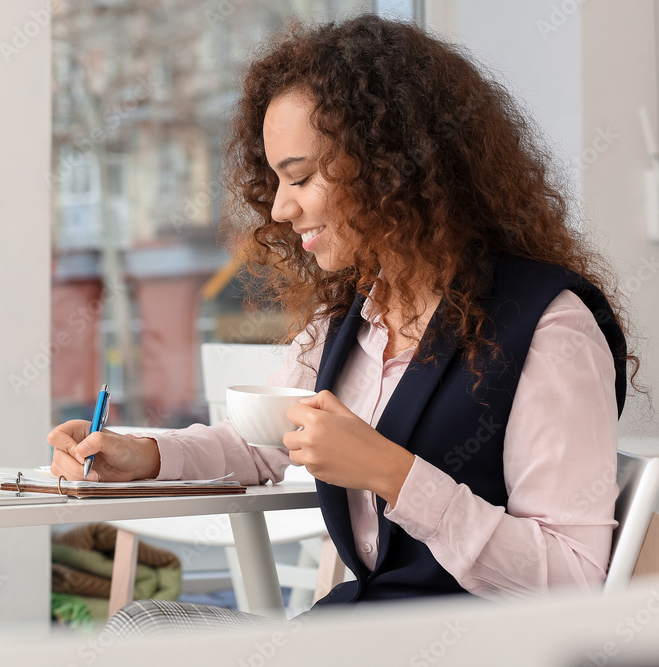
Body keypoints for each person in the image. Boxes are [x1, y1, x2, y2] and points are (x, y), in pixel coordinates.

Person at [47, 14, 638, 634]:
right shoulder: (354, 315)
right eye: (276, 180)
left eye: (300, 177)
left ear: (390, 166)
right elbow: (254, 444)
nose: (279, 207)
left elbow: (573, 580)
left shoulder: (551, 328)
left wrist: (391, 473)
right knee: (144, 626)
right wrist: (142, 455)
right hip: (355, 636)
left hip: (473, 648)